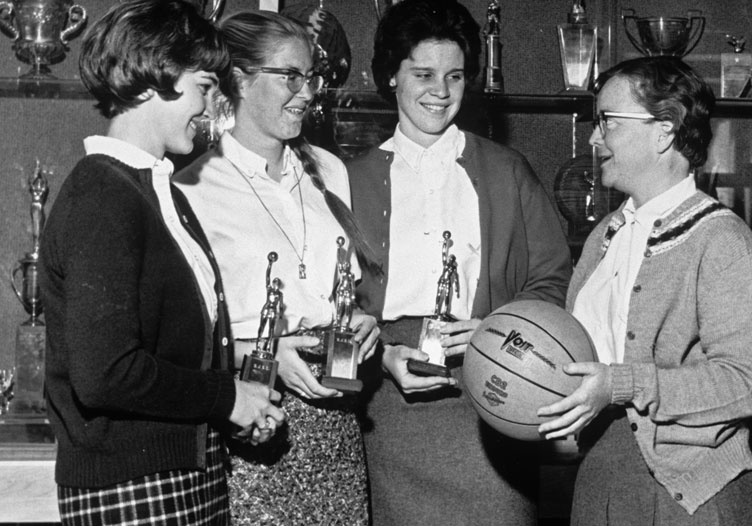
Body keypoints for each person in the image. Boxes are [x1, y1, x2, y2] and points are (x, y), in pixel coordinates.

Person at [39, 2, 285, 524]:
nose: (214, 105)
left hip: (182, 479)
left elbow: (176, 356)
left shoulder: (154, 189)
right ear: (155, 77)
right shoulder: (102, 194)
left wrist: (236, 404)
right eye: (204, 86)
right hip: (130, 488)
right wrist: (225, 398)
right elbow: (105, 374)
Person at [346, 0, 573, 524]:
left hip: (493, 398)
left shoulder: (507, 171)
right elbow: (333, 307)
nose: (441, 92)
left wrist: (500, 335)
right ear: (390, 77)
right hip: (386, 410)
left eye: (455, 76)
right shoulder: (348, 179)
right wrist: (380, 357)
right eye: (422, 74)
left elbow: (552, 279)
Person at [538, 57, 752, 525]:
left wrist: (621, 385)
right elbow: (575, 352)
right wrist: (501, 341)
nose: (593, 137)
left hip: (690, 495)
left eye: (607, 120)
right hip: (602, 477)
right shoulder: (606, 233)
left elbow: (742, 384)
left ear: (664, 130)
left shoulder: (722, 240)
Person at [174, 10, 379, 525]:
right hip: (253, 423)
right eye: (290, 75)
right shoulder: (192, 188)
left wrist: (361, 325)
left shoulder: (329, 171)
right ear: (238, 78)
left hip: (337, 429)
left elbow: (340, 294)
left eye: (312, 76)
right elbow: (180, 345)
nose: (308, 92)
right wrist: (261, 356)